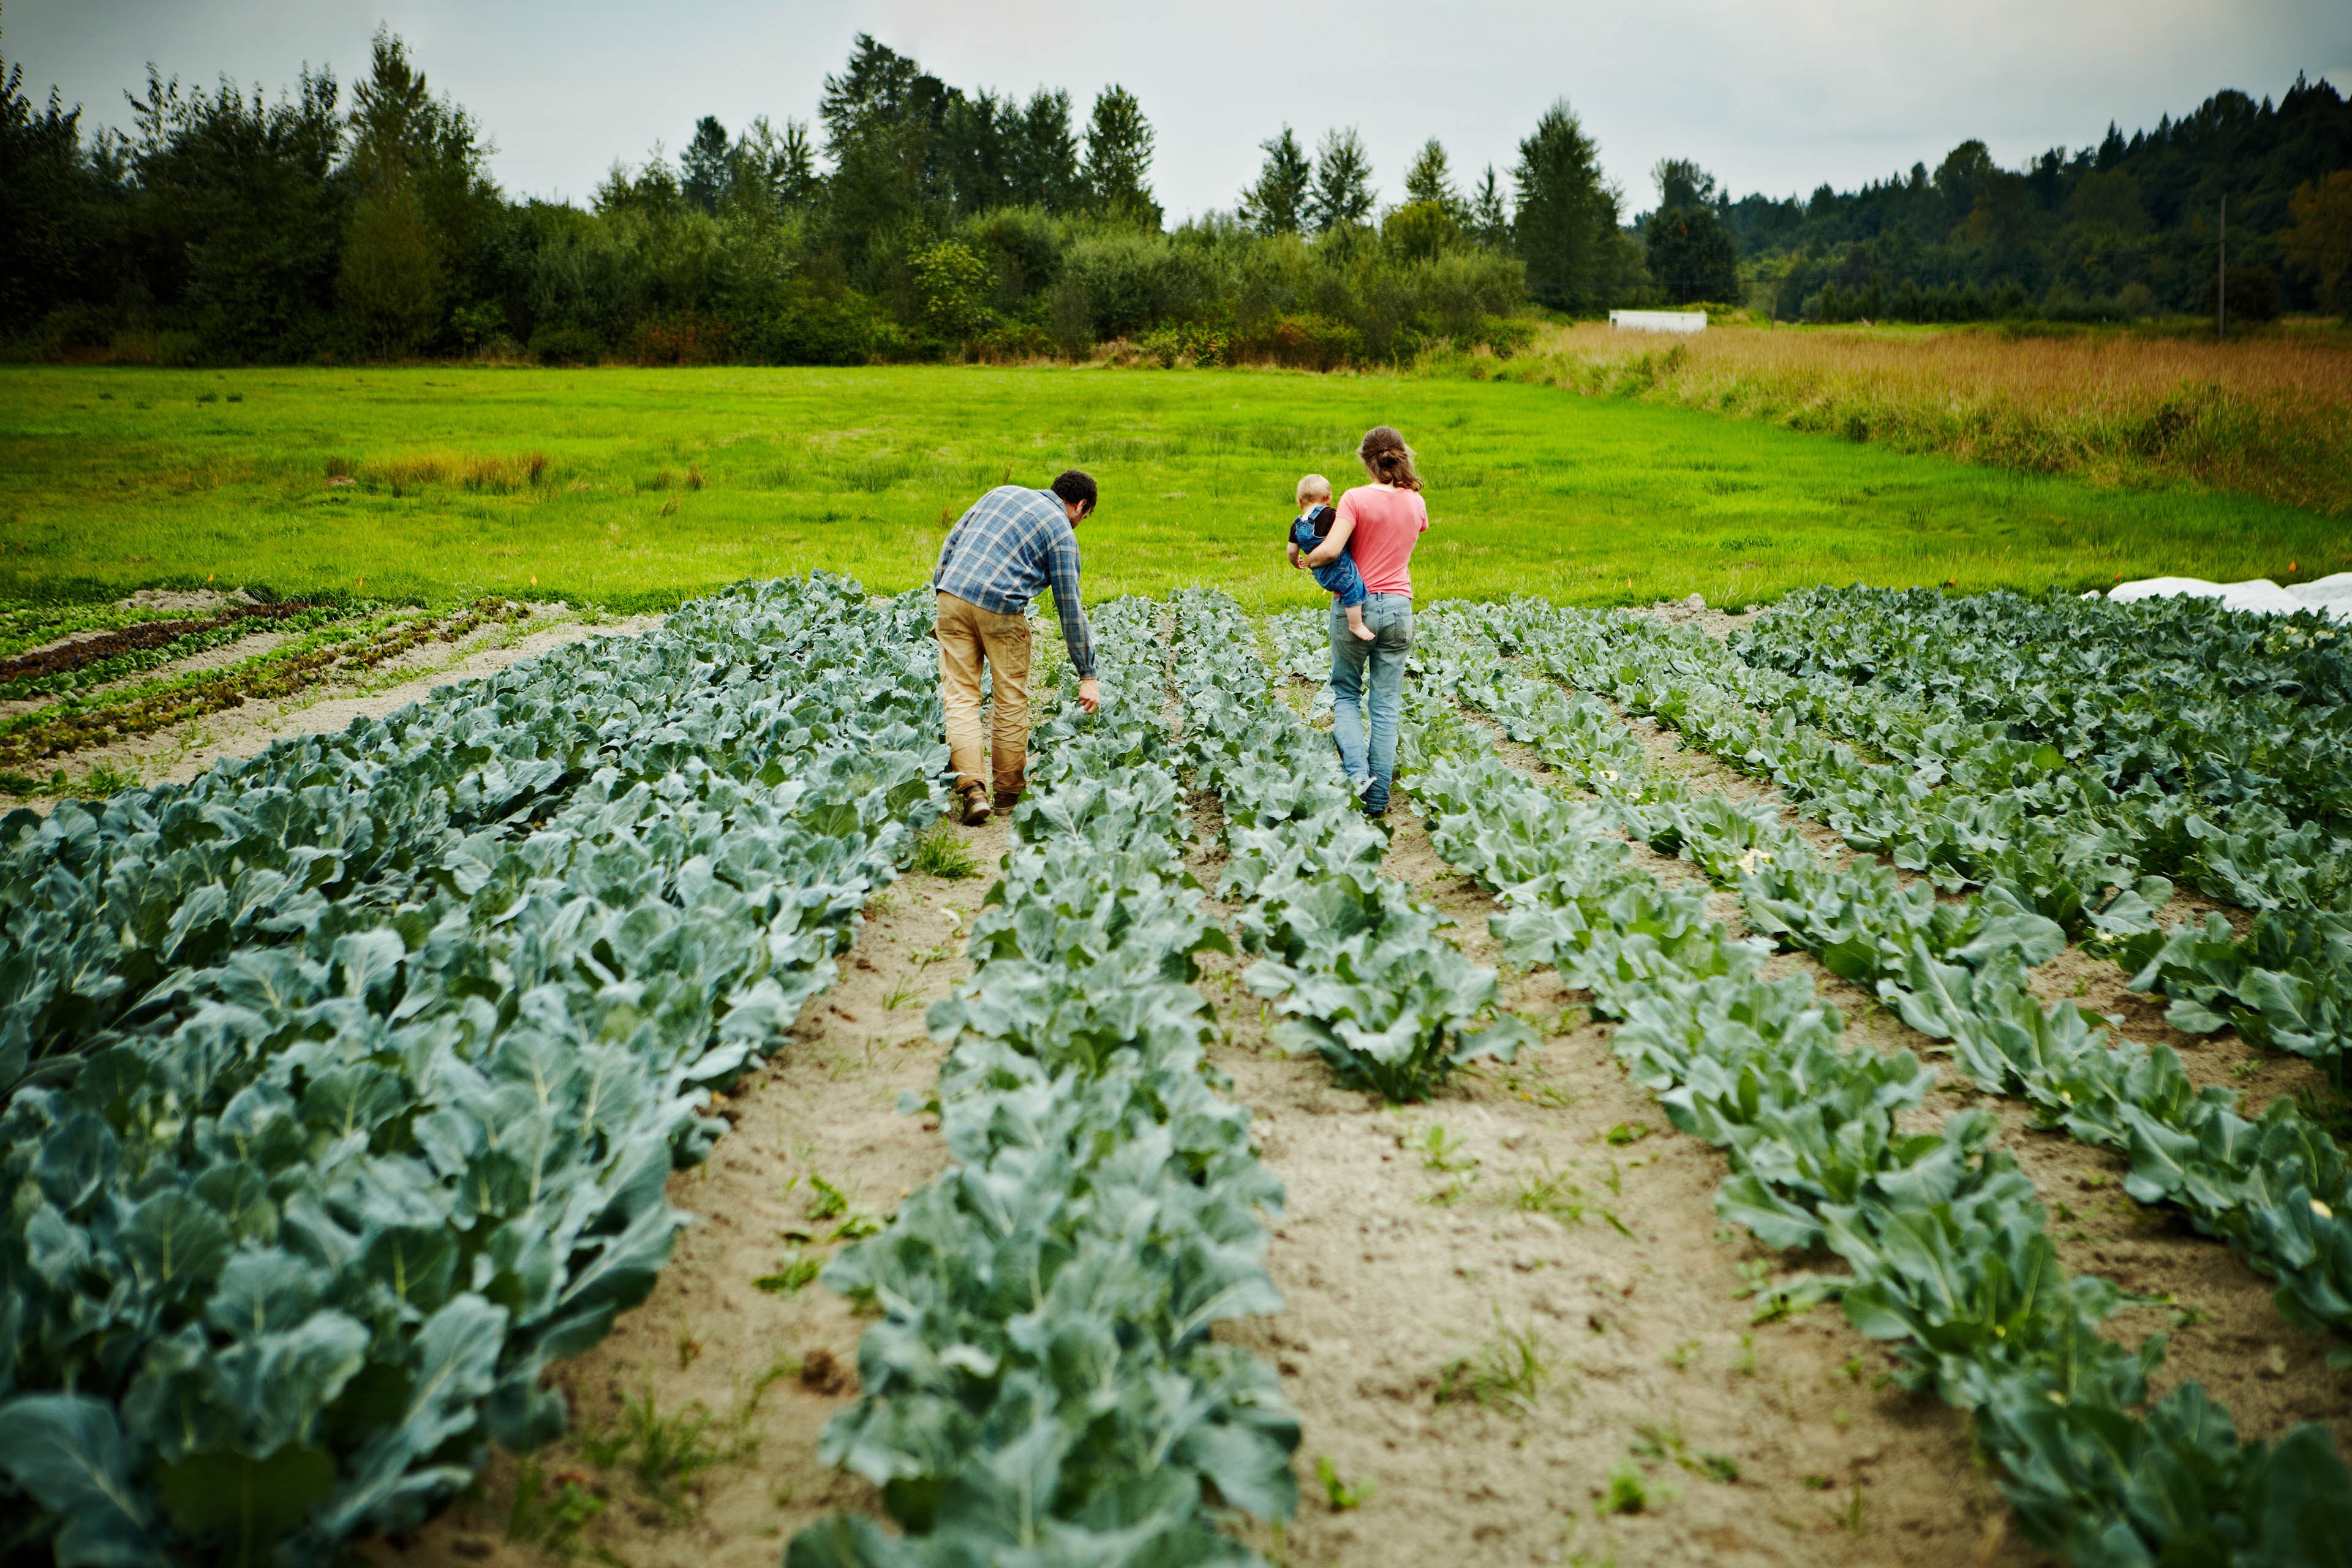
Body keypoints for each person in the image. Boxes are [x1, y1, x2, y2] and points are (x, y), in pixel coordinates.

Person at [932, 470, 1103, 826]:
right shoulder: (1061, 532)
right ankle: (1008, 797)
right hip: (1000, 609)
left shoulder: (1002, 493)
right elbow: (1069, 607)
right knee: (1010, 698)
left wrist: (944, 597)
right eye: (1084, 518)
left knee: (961, 698)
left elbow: (952, 543)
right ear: (1081, 505)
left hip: (951, 595)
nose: (1079, 525)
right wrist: (1087, 673)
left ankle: (973, 791)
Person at [1294, 426, 1426, 816]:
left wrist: (1309, 560)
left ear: (1367, 461)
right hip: (1400, 607)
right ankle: (1379, 799)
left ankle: (1357, 781)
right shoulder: (1416, 502)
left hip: (1356, 606)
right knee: (1385, 706)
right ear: (1400, 456)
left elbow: (1332, 549)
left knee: (1347, 695)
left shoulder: (1354, 499)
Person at [1286, 473, 1376, 642]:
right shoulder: (1330, 515)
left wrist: (1296, 561)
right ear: (1328, 499)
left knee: (1345, 587)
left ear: (1300, 503)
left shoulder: (1297, 525)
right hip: (1339, 568)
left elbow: (1291, 551)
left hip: (1320, 574)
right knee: (1353, 587)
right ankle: (1355, 624)